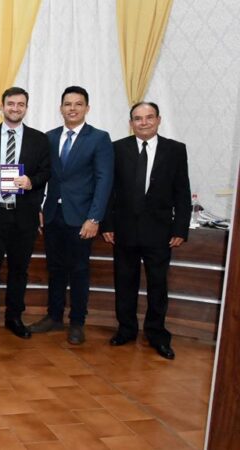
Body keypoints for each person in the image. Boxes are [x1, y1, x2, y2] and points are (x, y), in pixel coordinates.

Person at [102, 102, 190, 360]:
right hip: (124, 231)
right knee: (125, 282)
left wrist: (180, 228)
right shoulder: (117, 148)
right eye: (138, 119)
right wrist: (107, 224)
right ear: (131, 123)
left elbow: (182, 192)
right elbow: (108, 189)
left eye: (149, 117)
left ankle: (156, 333)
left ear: (158, 120)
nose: (144, 122)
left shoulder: (175, 150)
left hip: (160, 232)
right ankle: (126, 329)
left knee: (157, 285)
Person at [29, 86, 113, 345]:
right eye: (68, 104)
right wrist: (40, 209)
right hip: (53, 215)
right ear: (61, 108)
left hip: (82, 218)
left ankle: (77, 321)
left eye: (78, 104)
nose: (72, 108)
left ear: (87, 108)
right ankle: (54, 316)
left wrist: (94, 218)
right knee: (55, 269)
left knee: (78, 270)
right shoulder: (50, 137)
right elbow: (44, 177)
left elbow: (104, 180)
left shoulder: (99, 138)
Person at [0, 87, 50, 339]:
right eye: (11, 104)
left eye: (21, 104)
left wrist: (31, 180)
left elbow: (46, 172)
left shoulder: (39, 139)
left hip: (24, 215)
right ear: (2, 106)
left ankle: (14, 317)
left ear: (26, 108)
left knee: (20, 269)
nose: (15, 108)